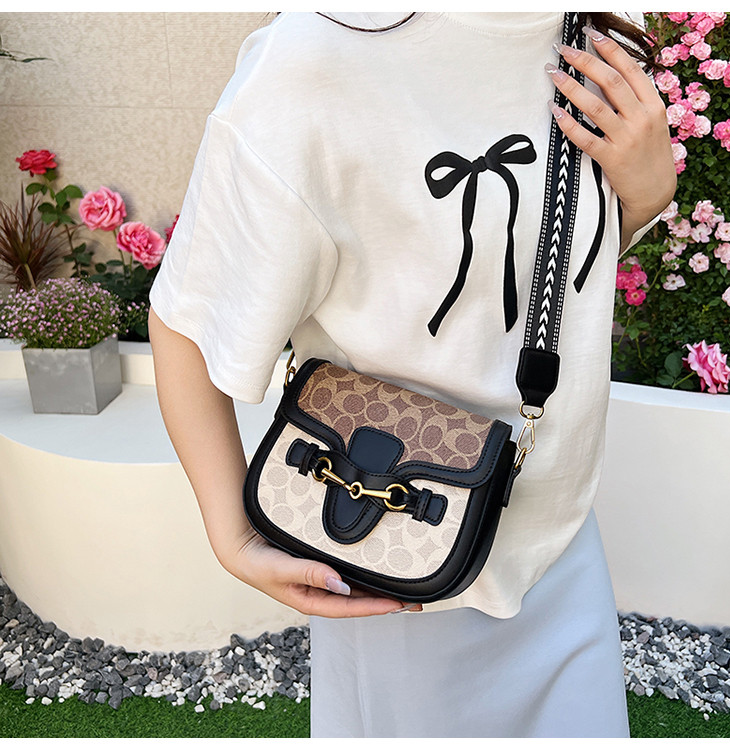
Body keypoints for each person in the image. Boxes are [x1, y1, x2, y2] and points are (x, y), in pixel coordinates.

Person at [148, 12, 675, 738]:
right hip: (394, 556)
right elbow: (189, 314)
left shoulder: (594, 29)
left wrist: (647, 194)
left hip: (561, 547)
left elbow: (556, 281)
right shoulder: (313, 61)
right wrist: (232, 535)